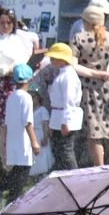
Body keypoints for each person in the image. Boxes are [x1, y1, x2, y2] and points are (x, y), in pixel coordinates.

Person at [71, 4, 109, 166]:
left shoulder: (79, 39)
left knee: (94, 132)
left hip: (89, 90)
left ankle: (100, 167)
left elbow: (73, 65)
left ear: (86, 22)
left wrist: (95, 74)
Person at [1, 63, 40, 202]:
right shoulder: (26, 97)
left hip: (12, 144)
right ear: (29, 79)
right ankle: (13, 209)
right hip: (23, 145)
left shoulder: (11, 97)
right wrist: (34, 141)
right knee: (20, 183)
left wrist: (5, 142)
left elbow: (6, 123)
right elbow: (28, 122)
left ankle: (9, 205)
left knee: (14, 182)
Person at [41, 42, 83, 172]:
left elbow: (68, 101)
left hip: (65, 118)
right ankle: (60, 174)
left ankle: (74, 175)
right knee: (59, 149)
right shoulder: (62, 74)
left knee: (66, 150)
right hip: (58, 117)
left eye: (54, 58)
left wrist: (66, 122)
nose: (52, 61)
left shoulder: (68, 76)